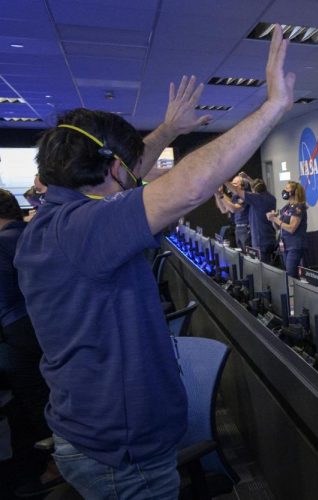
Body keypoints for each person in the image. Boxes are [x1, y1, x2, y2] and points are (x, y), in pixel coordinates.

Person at [14, 30, 296, 498]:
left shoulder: (60, 223)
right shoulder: (81, 228)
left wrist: (168, 131)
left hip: (100, 436)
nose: (137, 175)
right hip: (124, 455)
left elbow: (124, 172)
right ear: (112, 169)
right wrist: (272, 108)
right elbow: (188, 187)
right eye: (128, 168)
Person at [0, 188, 58, 496]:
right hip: (50, 329)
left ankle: (44, 463)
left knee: (15, 377)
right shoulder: (31, 231)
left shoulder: (0, 244)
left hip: (22, 334)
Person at [267, 180, 308, 278]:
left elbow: (291, 228)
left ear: (293, 192)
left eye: (287, 189)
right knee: (288, 273)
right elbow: (277, 227)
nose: (284, 190)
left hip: (295, 246)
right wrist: (273, 219)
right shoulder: (287, 207)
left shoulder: (299, 207)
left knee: (291, 274)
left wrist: (275, 219)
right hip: (285, 245)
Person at [237, 178, 277, 263]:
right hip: (270, 238)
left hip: (260, 241)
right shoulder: (271, 198)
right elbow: (257, 187)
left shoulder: (257, 199)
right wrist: (246, 177)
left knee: (263, 269)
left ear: (253, 190)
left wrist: (223, 181)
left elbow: (238, 192)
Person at [215, 175, 252, 248]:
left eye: (234, 184)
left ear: (242, 185)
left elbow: (233, 209)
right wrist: (217, 194)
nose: (230, 187)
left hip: (246, 229)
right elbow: (224, 210)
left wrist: (221, 196)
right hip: (238, 228)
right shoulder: (235, 197)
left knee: (247, 255)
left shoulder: (247, 196)